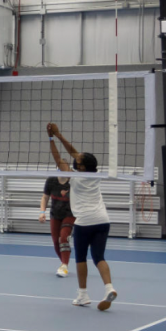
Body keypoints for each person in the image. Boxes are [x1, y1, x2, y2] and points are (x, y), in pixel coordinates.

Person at [46, 123, 117, 311]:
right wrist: (60, 135)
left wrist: (51, 138)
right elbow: (74, 154)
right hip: (103, 220)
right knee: (99, 257)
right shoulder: (95, 174)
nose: (76, 156)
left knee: (80, 259)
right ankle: (109, 287)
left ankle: (82, 295)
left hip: (85, 222)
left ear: (82, 165)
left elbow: (58, 157)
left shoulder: (74, 176)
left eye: (79, 158)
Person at [39, 175, 74, 278]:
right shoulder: (51, 180)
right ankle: (64, 263)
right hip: (55, 214)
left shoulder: (73, 181)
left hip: (70, 214)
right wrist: (42, 212)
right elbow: (45, 197)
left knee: (63, 237)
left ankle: (64, 265)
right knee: (55, 242)